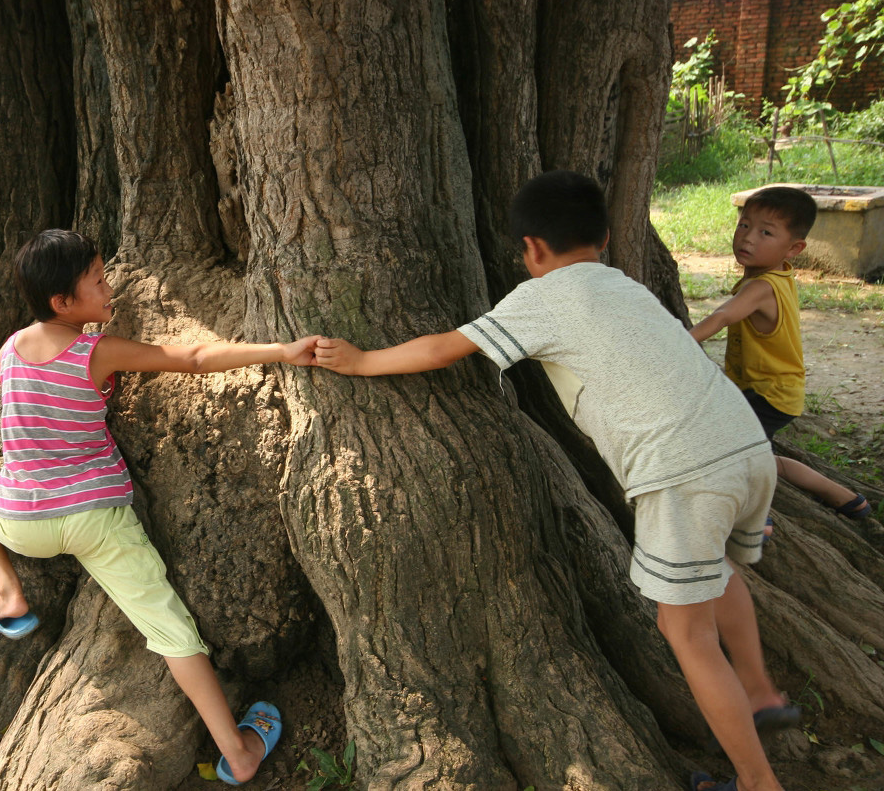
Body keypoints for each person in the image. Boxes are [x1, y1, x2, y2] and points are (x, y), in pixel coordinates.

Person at [313, 171, 792, 791]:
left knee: (686, 632)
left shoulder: (541, 298)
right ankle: (759, 690)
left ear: (532, 248)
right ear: (606, 238)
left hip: (683, 475)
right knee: (719, 568)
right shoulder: (627, 286)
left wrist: (361, 361)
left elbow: (441, 350)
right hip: (748, 448)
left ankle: (758, 782)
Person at [0, 229, 310, 785]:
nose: (110, 286)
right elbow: (193, 357)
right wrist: (282, 351)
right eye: (97, 281)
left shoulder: (14, 347)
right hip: (96, 520)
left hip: (23, 520)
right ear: (62, 302)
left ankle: (8, 593)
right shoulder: (96, 351)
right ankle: (237, 753)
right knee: (169, 628)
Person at [690, 185, 871, 535]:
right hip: (777, 390)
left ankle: (758, 520)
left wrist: (681, 340)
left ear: (794, 248)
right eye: (744, 225)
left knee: (734, 452)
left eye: (766, 233)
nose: (748, 238)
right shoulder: (778, 275)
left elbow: (723, 316)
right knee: (765, 458)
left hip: (766, 393)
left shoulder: (760, 288)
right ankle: (847, 499)